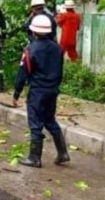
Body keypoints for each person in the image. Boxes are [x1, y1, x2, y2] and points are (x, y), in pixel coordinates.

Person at [13, 15, 69, 168]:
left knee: (36, 123)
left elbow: (22, 74)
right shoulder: (58, 49)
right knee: (50, 120)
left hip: (37, 92)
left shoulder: (30, 50)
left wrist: (16, 94)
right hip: (52, 91)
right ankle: (63, 152)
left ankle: (34, 157)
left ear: (33, 32)